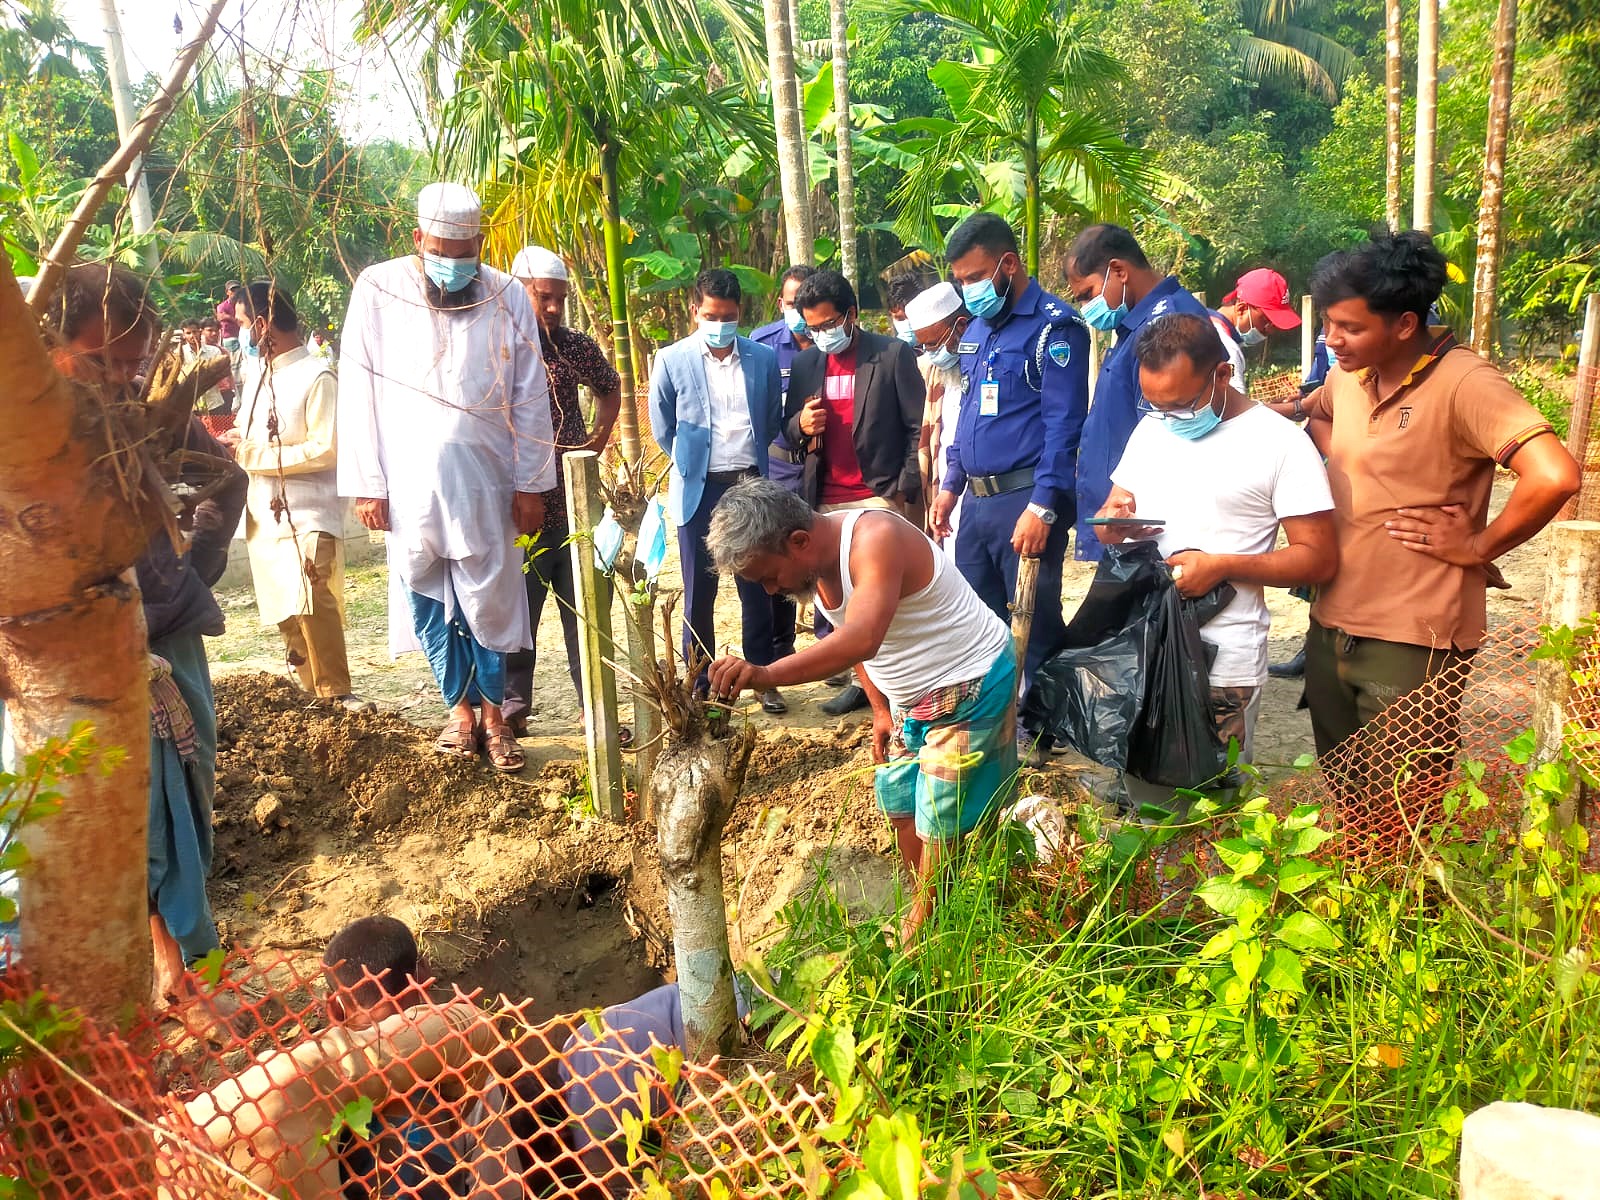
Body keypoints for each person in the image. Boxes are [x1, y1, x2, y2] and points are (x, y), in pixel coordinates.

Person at [1299, 231, 1580, 786]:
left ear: (1405, 323)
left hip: (1413, 637)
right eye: (1329, 324)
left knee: (1401, 813)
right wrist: (1344, 468)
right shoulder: (1348, 375)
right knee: (1345, 795)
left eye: (1351, 327)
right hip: (1329, 621)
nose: (1333, 339)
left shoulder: (1465, 384)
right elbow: (1319, 413)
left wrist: (1478, 545)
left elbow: (1555, 475)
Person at [45, 262, 247, 1006]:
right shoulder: (37, 434)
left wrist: (192, 561)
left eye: (135, 359)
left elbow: (227, 480)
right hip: (75, 662)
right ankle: (164, 967)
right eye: (102, 359)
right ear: (56, 346)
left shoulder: (152, 414)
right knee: (122, 817)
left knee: (182, 802)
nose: (122, 376)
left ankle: (182, 967)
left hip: (171, 640)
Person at [705, 479, 1018, 943]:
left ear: (798, 542)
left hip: (969, 686)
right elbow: (860, 647)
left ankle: (929, 927)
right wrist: (879, 710)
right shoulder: (818, 568)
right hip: (911, 702)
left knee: (941, 818)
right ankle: (933, 904)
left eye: (768, 576)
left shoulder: (874, 541)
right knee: (900, 804)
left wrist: (766, 674)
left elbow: (861, 637)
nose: (771, 590)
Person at [338, 182, 556, 773]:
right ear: (417, 240)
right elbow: (357, 387)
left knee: (491, 601)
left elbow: (531, 394)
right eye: (442, 251)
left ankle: (495, 718)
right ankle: (458, 712)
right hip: (408, 486)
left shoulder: (508, 294)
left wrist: (533, 484)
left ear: (481, 245)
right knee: (426, 594)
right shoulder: (378, 289)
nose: (455, 266)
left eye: (466, 254)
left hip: (489, 482)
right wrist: (367, 483)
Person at [1093, 314, 1338, 761]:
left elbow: (1318, 559)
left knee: (1214, 808)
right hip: (1145, 646)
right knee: (1146, 801)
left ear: (1223, 374)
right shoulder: (1152, 429)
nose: (1169, 418)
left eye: (1182, 404)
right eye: (1156, 405)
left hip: (1225, 662)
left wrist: (1223, 566)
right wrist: (1113, 523)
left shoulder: (1279, 443)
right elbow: (1116, 506)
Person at [926, 213, 1088, 714]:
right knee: (977, 617)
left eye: (975, 277)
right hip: (975, 503)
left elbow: (1064, 426)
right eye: (961, 281)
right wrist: (950, 486)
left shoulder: (1055, 329)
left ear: (1008, 264)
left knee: (1034, 620)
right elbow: (968, 417)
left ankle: (1043, 727)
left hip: (1024, 500)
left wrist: (1043, 507)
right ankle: (995, 722)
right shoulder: (976, 330)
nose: (968, 288)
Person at [786, 268, 926, 717]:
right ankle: (867, 689)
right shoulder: (808, 363)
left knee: (888, 602)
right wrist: (800, 427)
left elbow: (915, 428)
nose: (821, 334)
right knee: (840, 605)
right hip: (824, 499)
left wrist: (904, 488)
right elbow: (789, 430)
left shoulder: (891, 355)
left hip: (878, 496)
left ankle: (906, 686)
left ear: (851, 315)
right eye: (812, 327)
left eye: (828, 324)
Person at [227, 280, 371, 714]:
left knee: (312, 601)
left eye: (241, 325)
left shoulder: (318, 375)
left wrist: (252, 453)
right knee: (285, 609)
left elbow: (326, 449)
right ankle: (313, 695)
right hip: (264, 515)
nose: (239, 335)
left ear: (263, 324)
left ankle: (336, 694)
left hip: (309, 514)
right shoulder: (257, 375)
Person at [647, 268, 786, 712]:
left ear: (739, 313)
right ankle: (700, 681)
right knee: (699, 591)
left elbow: (769, 421)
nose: (720, 324)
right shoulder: (671, 360)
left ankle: (764, 678)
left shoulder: (762, 359)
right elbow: (663, 427)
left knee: (758, 586)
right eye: (711, 315)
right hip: (699, 488)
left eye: (728, 316)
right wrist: (692, 464)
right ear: (695, 312)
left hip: (748, 485)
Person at [502, 245, 623, 737]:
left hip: (574, 506)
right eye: (543, 297)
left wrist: (597, 438)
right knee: (517, 615)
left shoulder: (574, 346)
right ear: (518, 291)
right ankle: (512, 709)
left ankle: (594, 706)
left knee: (586, 611)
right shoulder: (498, 344)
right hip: (518, 510)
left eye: (560, 300)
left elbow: (609, 387)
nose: (553, 308)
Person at [1063, 223, 1213, 563]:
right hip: (1127, 520)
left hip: (1154, 527)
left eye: (1087, 294)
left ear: (1118, 270)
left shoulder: (1171, 322)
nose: (1086, 307)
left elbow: (1170, 431)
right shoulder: (1132, 325)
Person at [749, 264, 818, 673]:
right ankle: (779, 649)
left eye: (804, 304)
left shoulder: (829, 344)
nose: (799, 312)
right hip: (776, 469)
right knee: (774, 557)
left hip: (815, 470)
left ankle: (832, 648)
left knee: (820, 556)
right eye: (792, 303)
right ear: (781, 303)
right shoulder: (761, 346)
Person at [904, 281, 968, 550]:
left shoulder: (980, 365)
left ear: (960, 326)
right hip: (945, 488)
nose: (931, 353)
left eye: (933, 344)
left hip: (977, 493)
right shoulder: (935, 373)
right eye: (925, 347)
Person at [216, 280, 244, 350]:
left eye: (238, 290)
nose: (236, 292)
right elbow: (220, 317)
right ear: (227, 292)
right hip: (229, 338)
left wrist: (228, 317)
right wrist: (235, 320)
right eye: (233, 290)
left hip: (243, 337)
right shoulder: (222, 306)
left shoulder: (244, 305)